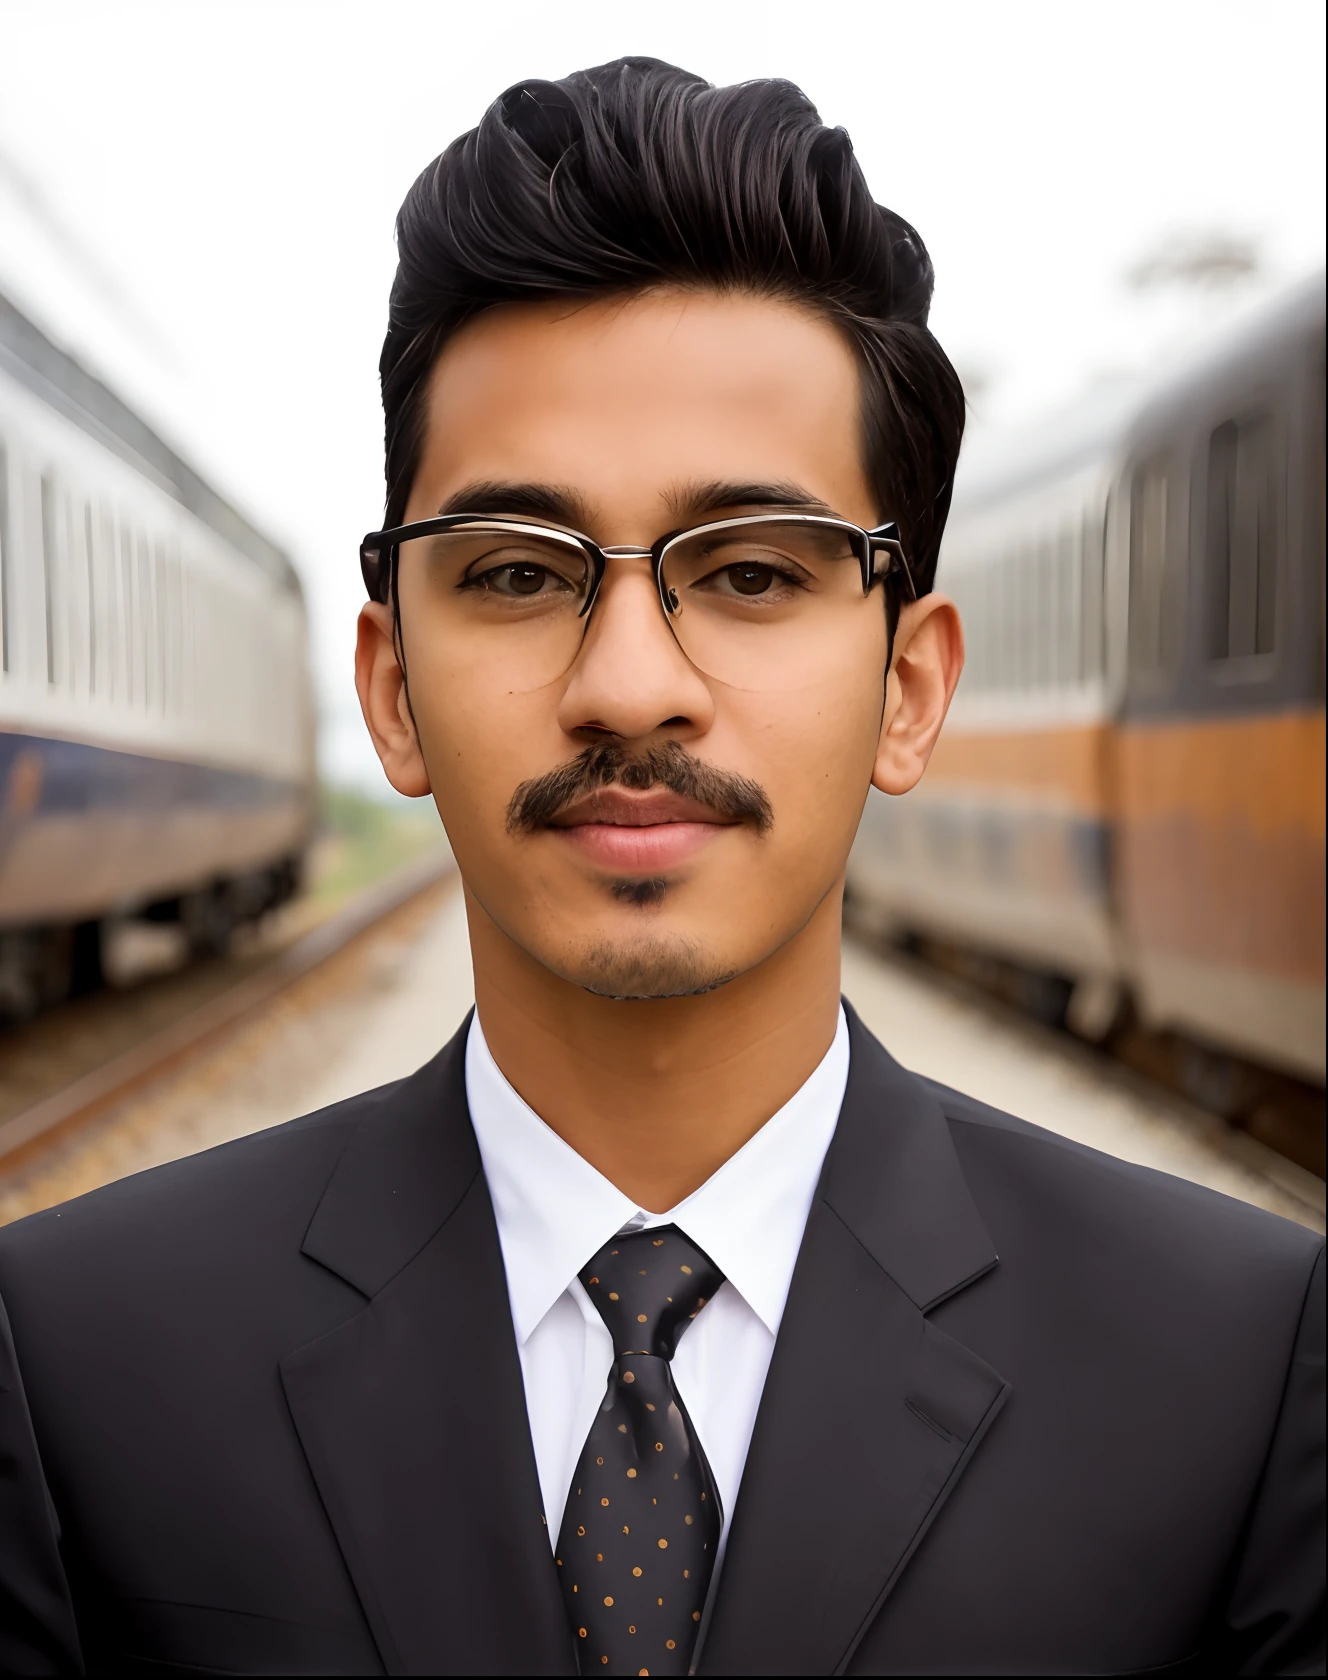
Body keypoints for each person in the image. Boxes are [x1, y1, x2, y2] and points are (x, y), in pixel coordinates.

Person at [0, 57, 1321, 1679]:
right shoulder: (72, 1354)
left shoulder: (1244, 1364)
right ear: (393, 692)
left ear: (911, 690)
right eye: (512, 571)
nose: (630, 683)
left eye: (754, 571)